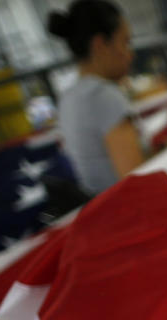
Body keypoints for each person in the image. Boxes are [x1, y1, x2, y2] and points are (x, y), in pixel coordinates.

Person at [47, 1, 146, 194]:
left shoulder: (68, 98)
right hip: (123, 210)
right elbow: (136, 180)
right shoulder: (104, 97)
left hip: (101, 208)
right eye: (125, 42)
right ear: (100, 45)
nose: (130, 54)